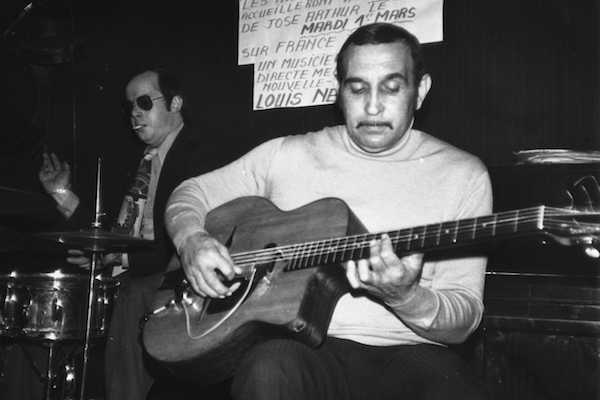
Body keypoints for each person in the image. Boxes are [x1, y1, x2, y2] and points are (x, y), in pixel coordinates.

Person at [164, 23, 494, 400]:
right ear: (339, 92)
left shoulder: (464, 175)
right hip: (301, 346)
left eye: (391, 87)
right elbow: (190, 192)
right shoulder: (287, 154)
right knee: (267, 369)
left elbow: (464, 318)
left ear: (420, 91)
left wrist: (406, 296)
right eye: (357, 88)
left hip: (409, 353)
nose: (372, 106)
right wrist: (191, 239)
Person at [37, 68, 227, 399]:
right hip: (123, 274)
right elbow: (109, 230)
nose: (135, 113)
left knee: (131, 295)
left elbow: (191, 241)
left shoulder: (200, 157)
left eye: (143, 102)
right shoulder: (131, 160)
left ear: (176, 103)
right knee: (42, 311)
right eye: (130, 107)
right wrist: (61, 195)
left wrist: (120, 258)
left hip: (169, 276)